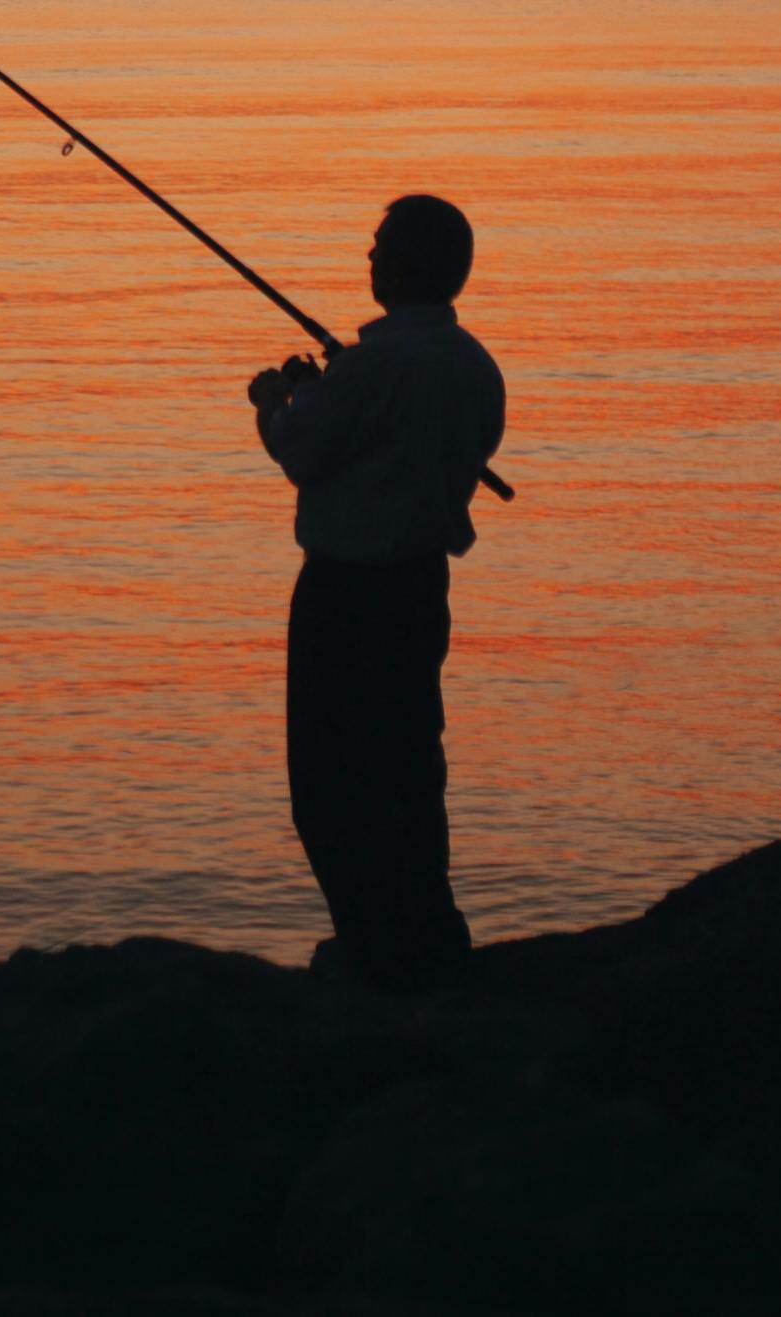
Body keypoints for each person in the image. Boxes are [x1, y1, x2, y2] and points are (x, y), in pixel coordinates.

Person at [246, 193, 507, 990]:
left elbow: (301, 450)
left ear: (398, 266)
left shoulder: (370, 369)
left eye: (377, 247)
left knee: (326, 787)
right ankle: (425, 936)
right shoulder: (475, 368)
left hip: (342, 595)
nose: (368, 258)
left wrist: (275, 400)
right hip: (420, 592)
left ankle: (370, 947)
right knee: (405, 770)